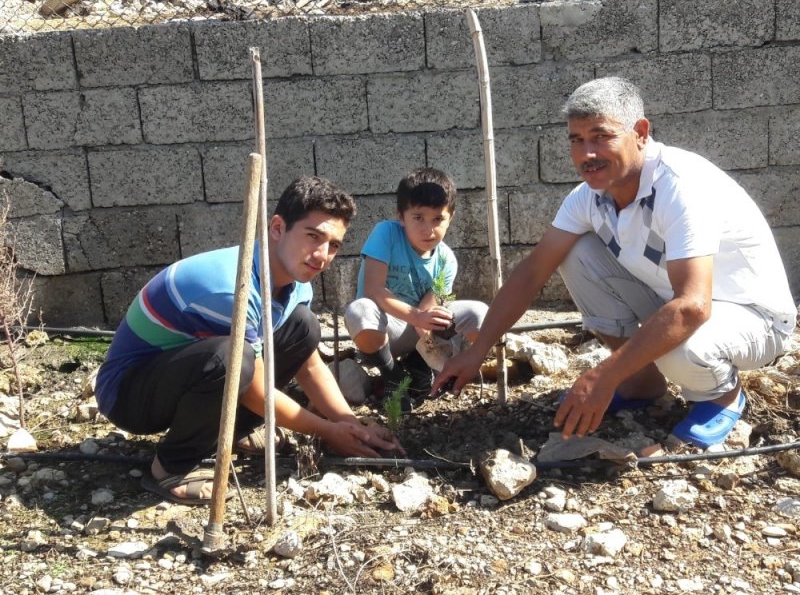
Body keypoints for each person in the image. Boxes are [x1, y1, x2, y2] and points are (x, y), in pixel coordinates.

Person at [433, 77, 796, 448]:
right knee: (575, 252)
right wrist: (477, 351)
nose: (587, 154)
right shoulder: (589, 198)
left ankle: (721, 396)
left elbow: (692, 307)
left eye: (601, 136)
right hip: (679, 301)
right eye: (576, 140)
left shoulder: (680, 187)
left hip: (754, 318)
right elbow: (531, 273)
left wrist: (603, 376)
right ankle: (642, 383)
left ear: (640, 132)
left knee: (681, 342)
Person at [95, 177, 403, 505]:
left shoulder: (296, 281)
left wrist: (350, 423)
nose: (322, 255)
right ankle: (170, 468)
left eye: (334, 245)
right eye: (313, 236)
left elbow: (309, 364)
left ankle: (232, 432)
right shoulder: (232, 289)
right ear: (277, 227)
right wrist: (327, 432)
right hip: (130, 395)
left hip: (181, 375)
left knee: (304, 327)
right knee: (230, 359)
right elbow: (256, 390)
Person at [344, 167, 488, 409]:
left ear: (450, 218)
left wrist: (435, 327)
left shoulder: (446, 259)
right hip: (386, 329)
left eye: (438, 219)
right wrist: (419, 317)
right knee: (360, 310)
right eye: (418, 218)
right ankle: (392, 376)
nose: (428, 229)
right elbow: (374, 290)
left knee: (480, 313)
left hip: (419, 330)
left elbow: (428, 307)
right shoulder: (386, 233)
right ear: (401, 216)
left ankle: (427, 368)